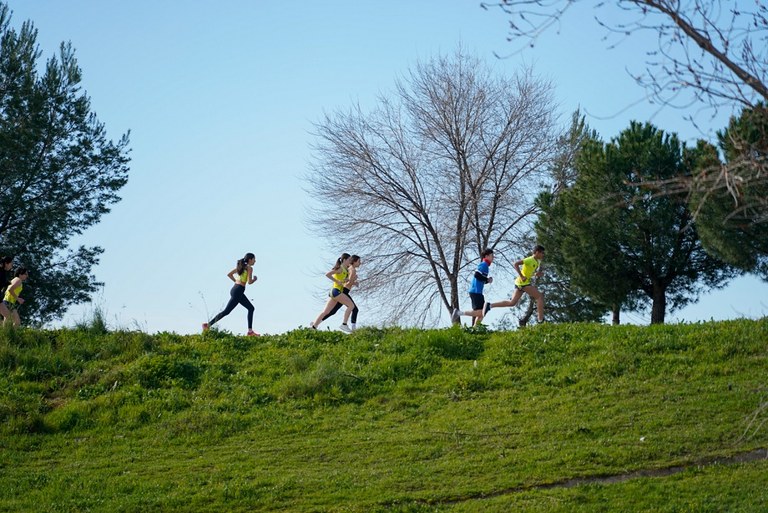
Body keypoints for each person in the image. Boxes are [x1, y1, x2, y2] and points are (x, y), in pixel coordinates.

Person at [482, 245, 546, 324]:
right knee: (539, 297)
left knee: (512, 303)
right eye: (542, 253)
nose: (543, 255)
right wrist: (521, 276)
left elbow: (528, 272)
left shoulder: (537, 262)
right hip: (523, 283)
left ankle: (489, 305)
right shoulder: (530, 259)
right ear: (537, 252)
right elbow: (515, 264)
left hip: (520, 283)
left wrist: (536, 274)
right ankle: (540, 320)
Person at [203, 253, 259, 336]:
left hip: (236, 289)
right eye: (254, 259)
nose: (255, 261)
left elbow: (229, 274)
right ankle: (207, 325)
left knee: (251, 308)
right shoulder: (249, 268)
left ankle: (250, 331)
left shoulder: (240, 267)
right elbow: (249, 282)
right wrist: (254, 279)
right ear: (250, 259)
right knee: (227, 311)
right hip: (238, 291)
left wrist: (237, 282)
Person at [310, 253, 356, 332]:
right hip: (336, 291)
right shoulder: (340, 268)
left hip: (334, 292)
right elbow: (327, 274)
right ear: (344, 260)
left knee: (326, 312)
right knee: (351, 306)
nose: (350, 261)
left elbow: (342, 281)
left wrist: (350, 281)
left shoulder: (345, 270)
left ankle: (313, 327)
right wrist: (336, 281)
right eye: (349, 260)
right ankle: (344, 324)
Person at [452, 249, 494, 326]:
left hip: (477, 292)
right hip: (475, 291)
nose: (493, 258)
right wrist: (487, 279)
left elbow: (481, 279)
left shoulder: (486, 266)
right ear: (486, 256)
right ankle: (459, 313)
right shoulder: (484, 264)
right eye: (492, 256)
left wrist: (488, 281)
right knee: (482, 312)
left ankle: (475, 329)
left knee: (482, 313)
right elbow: (477, 275)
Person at [320, 254, 361, 331]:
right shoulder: (352, 270)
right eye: (359, 261)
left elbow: (347, 280)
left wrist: (353, 282)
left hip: (344, 291)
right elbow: (348, 282)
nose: (360, 263)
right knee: (354, 309)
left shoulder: (349, 269)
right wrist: (354, 281)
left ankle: (316, 323)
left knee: (333, 311)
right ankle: (351, 328)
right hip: (344, 291)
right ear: (354, 262)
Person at [0, 256, 13, 321]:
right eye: (11, 264)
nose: (12, 266)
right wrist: (7, 283)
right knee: (8, 316)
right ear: (6, 263)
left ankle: (4, 331)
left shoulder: (3, 272)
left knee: (8, 316)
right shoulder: (1, 271)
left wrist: (8, 283)